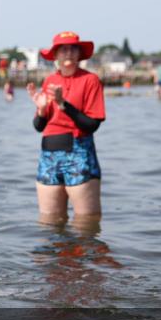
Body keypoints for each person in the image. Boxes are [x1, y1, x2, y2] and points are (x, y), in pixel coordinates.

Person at [27, 31, 105, 223]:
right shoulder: (49, 81)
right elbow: (39, 126)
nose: (68, 52)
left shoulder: (90, 80)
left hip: (79, 154)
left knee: (86, 223)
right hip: (48, 156)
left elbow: (92, 125)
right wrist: (42, 110)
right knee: (49, 223)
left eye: (72, 48)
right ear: (55, 55)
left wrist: (64, 105)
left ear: (79, 54)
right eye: (63, 49)